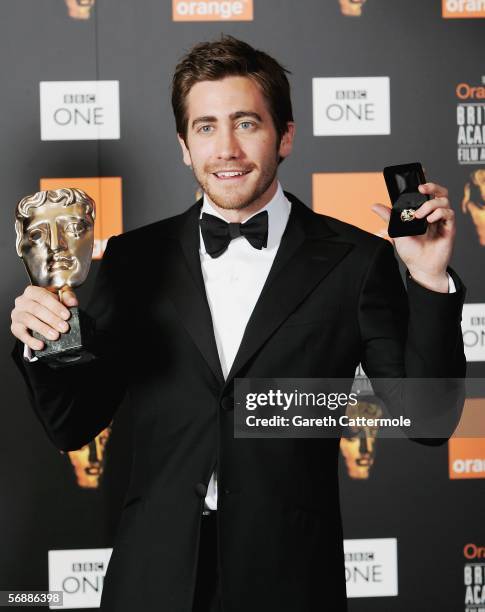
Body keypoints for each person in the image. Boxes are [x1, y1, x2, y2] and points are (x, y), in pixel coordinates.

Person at [10, 36, 466, 612]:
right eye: (205, 128)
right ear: (183, 146)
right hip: (153, 577)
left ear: (287, 136)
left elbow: (427, 419)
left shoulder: (356, 260)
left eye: (246, 123)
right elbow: (71, 425)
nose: (226, 149)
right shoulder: (130, 259)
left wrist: (428, 281)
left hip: (293, 580)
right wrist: (44, 341)